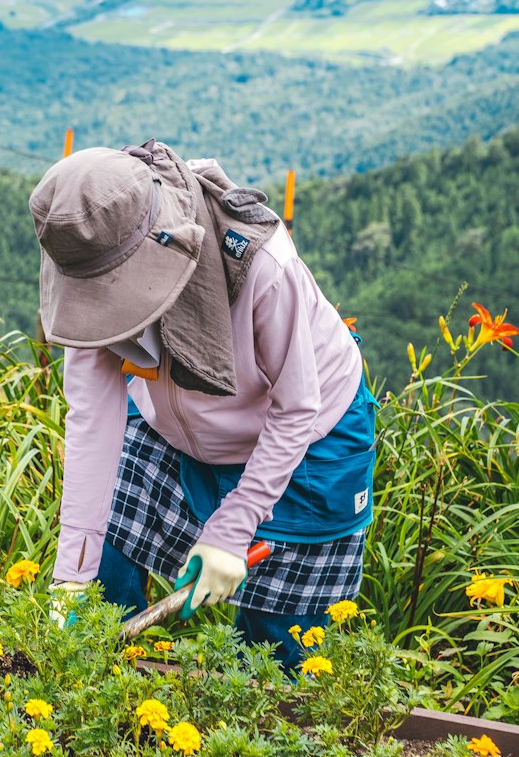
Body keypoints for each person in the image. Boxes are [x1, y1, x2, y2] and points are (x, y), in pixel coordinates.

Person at [28, 139, 378, 671]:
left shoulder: (260, 262)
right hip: (169, 425)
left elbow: (296, 407)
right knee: (104, 568)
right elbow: (92, 422)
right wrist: (71, 576)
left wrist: (233, 529)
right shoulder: (88, 250)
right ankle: (109, 711)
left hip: (308, 438)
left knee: (277, 644)